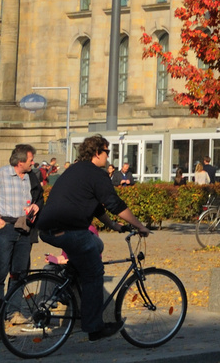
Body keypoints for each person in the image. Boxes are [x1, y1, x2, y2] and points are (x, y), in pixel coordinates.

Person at [33, 135, 151, 342]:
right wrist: (139, 225)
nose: (108, 156)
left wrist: (112, 225)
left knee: (95, 243)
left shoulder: (76, 170)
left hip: (48, 228)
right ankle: (94, 327)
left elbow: (96, 205)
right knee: (95, 272)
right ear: (97, 152)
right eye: (107, 151)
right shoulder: (97, 174)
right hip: (67, 229)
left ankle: (71, 274)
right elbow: (114, 203)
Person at [0, 143, 42, 305]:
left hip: (24, 228)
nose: (32, 163)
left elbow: (39, 198)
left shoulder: (30, 176)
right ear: (20, 162)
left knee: (20, 273)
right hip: (4, 228)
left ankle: (14, 311)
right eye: (30, 160)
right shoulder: (1, 174)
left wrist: (36, 206)